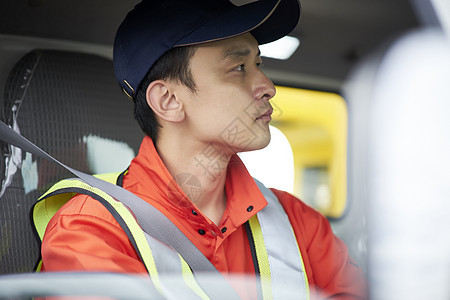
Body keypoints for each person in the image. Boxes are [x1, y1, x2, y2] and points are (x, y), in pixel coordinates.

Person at [40, 0, 367, 299]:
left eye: (259, 64)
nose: (268, 87)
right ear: (168, 101)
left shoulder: (300, 222)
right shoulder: (91, 228)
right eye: (239, 68)